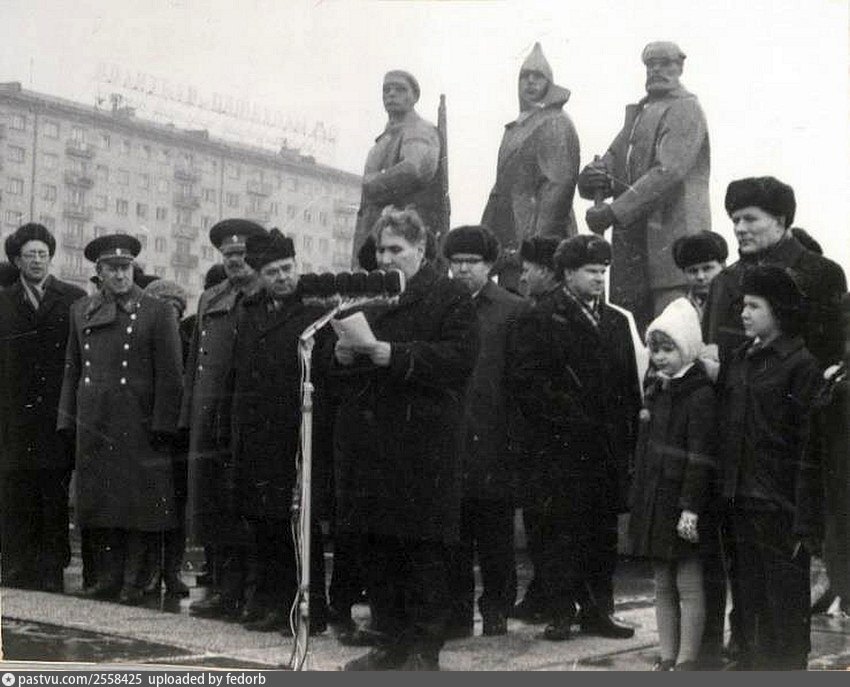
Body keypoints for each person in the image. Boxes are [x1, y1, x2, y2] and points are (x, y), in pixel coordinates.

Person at [333, 206, 478, 670]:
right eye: (381, 249)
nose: (386, 258)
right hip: (374, 443)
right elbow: (348, 372)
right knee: (378, 547)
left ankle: (423, 649)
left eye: (396, 249)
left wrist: (393, 354)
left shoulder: (450, 295)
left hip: (425, 445)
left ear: (421, 248)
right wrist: (343, 355)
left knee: (423, 551)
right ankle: (388, 641)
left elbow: (460, 358)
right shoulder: (373, 295)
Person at [508, 234, 641, 642]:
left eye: (603, 271)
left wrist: (627, 437)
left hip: (604, 450)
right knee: (558, 532)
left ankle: (599, 611)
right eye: (591, 271)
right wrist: (571, 416)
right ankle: (560, 612)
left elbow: (628, 386)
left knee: (601, 534)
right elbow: (528, 384)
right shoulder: (540, 317)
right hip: (558, 448)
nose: (599, 278)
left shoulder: (616, 321)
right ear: (567, 273)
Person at [57, 234, 183, 604]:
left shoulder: (157, 311)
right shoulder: (81, 310)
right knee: (100, 504)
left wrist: (164, 424)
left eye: (125, 267)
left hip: (139, 423)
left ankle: (136, 581)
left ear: (133, 269)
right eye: (112, 269)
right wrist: (67, 419)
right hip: (95, 421)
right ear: (99, 272)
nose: (120, 275)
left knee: (140, 507)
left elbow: (171, 375)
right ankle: (106, 578)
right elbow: (73, 368)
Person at [718, 265, 824, 670]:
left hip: (778, 506)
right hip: (739, 499)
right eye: (743, 305)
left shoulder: (800, 365)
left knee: (784, 607)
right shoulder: (741, 358)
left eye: (754, 306)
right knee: (747, 601)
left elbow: (808, 448)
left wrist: (803, 517)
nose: (744, 313)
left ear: (778, 310)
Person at [226, 229, 329, 634]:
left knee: (299, 523)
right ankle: (273, 602)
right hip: (258, 432)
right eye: (273, 272)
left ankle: (309, 609)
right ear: (260, 275)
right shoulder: (251, 310)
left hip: (296, 430)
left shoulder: (313, 309)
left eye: (287, 268)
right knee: (264, 522)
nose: (283, 277)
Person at [577, 41, 710, 334]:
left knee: (671, 336)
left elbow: (667, 172)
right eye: (651, 64)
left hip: (671, 258)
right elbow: (612, 161)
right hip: (633, 255)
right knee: (631, 338)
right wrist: (591, 177)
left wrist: (613, 211)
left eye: (665, 63)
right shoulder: (639, 114)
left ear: (680, 66)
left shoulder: (685, 108)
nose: (656, 70)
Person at [442, 225, 529, 638]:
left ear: (489, 265)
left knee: (495, 534)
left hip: (496, 438)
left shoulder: (512, 310)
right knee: (454, 534)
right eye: (456, 262)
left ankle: (497, 609)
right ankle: (456, 611)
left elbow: (522, 379)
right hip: (451, 436)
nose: (462, 270)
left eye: (471, 262)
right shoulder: (441, 305)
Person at [182, 219, 266, 619]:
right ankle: (220, 587)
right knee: (211, 504)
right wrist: (189, 415)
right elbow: (195, 361)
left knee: (244, 506)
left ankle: (249, 592)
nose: (235, 260)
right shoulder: (210, 298)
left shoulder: (266, 294)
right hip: (209, 415)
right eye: (229, 254)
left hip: (247, 416)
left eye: (243, 253)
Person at [628, 299, 718, 671]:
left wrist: (691, 508)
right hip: (655, 501)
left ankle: (687, 659)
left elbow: (700, 456)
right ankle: (667, 656)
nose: (660, 357)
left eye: (668, 349)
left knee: (688, 584)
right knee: (662, 583)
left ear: (687, 348)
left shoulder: (699, 394)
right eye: (655, 349)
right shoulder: (656, 390)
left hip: (681, 505)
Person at [0, 224, 86, 592]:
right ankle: (16, 565)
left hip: (56, 415)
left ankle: (52, 568)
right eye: (29, 255)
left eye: (43, 254)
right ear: (16, 261)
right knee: (15, 492)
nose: (37, 261)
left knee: (53, 492)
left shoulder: (73, 298)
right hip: (13, 417)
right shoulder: (4, 300)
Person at [704, 176, 846, 368]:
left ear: (780, 222)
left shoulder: (823, 273)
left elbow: (833, 353)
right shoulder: (725, 281)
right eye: (735, 220)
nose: (739, 229)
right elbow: (713, 350)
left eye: (750, 219)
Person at [481, 42, 580, 292]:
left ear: (549, 83)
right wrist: (484, 242)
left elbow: (557, 187)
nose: (530, 81)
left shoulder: (555, 121)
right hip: (511, 239)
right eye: (525, 76)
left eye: (538, 76)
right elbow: (500, 189)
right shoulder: (516, 128)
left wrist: (535, 247)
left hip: (539, 241)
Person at [509, 235, 561, 624]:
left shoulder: (538, 314)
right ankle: (545, 595)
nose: (523, 278)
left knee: (544, 523)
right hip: (549, 437)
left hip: (541, 437)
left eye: (528, 270)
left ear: (546, 270)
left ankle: (546, 597)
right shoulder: (543, 309)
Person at [351, 71, 443, 267]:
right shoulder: (387, 135)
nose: (391, 94)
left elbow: (413, 170)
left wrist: (370, 182)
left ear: (414, 96)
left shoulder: (419, 129)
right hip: (376, 232)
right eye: (386, 90)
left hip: (401, 235)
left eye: (400, 89)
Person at [138, 279, 192, 599]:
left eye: (176, 308)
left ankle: (172, 571)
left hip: (179, 436)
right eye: (164, 308)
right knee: (150, 505)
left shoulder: (189, 340)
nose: (171, 314)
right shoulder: (143, 340)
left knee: (176, 508)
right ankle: (150, 571)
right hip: (149, 432)